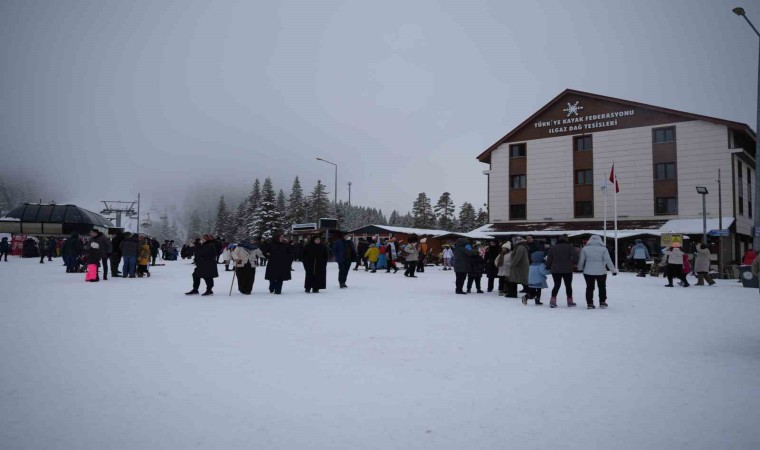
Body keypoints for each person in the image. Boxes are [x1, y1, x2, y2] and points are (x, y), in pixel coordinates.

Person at [578, 235, 617, 309]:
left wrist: (580, 268)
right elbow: (608, 260)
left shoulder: (585, 249)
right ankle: (602, 302)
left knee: (589, 287)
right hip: (601, 271)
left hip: (588, 271)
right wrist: (613, 270)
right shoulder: (604, 249)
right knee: (602, 287)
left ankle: (589, 303)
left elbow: (581, 260)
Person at [546, 234, 578, 307]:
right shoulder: (570, 247)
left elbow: (549, 259)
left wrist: (548, 266)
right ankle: (570, 301)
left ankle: (552, 301)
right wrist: (574, 263)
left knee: (556, 284)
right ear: (566, 239)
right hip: (567, 269)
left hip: (555, 269)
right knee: (568, 285)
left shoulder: (553, 247)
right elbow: (575, 257)